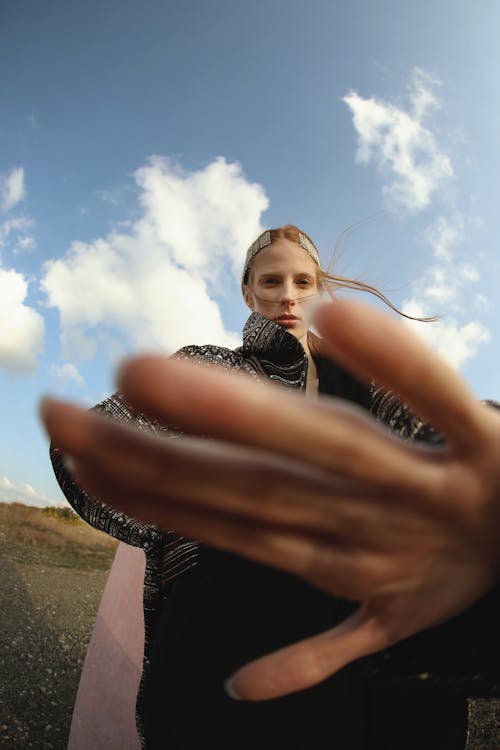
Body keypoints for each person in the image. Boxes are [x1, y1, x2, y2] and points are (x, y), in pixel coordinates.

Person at [42, 225, 500, 749]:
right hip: (220, 648)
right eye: (271, 280)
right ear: (247, 291)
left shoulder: (370, 383)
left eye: (303, 281)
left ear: (320, 291)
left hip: (371, 657)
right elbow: (95, 450)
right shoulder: (210, 367)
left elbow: (443, 447)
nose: (288, 295)